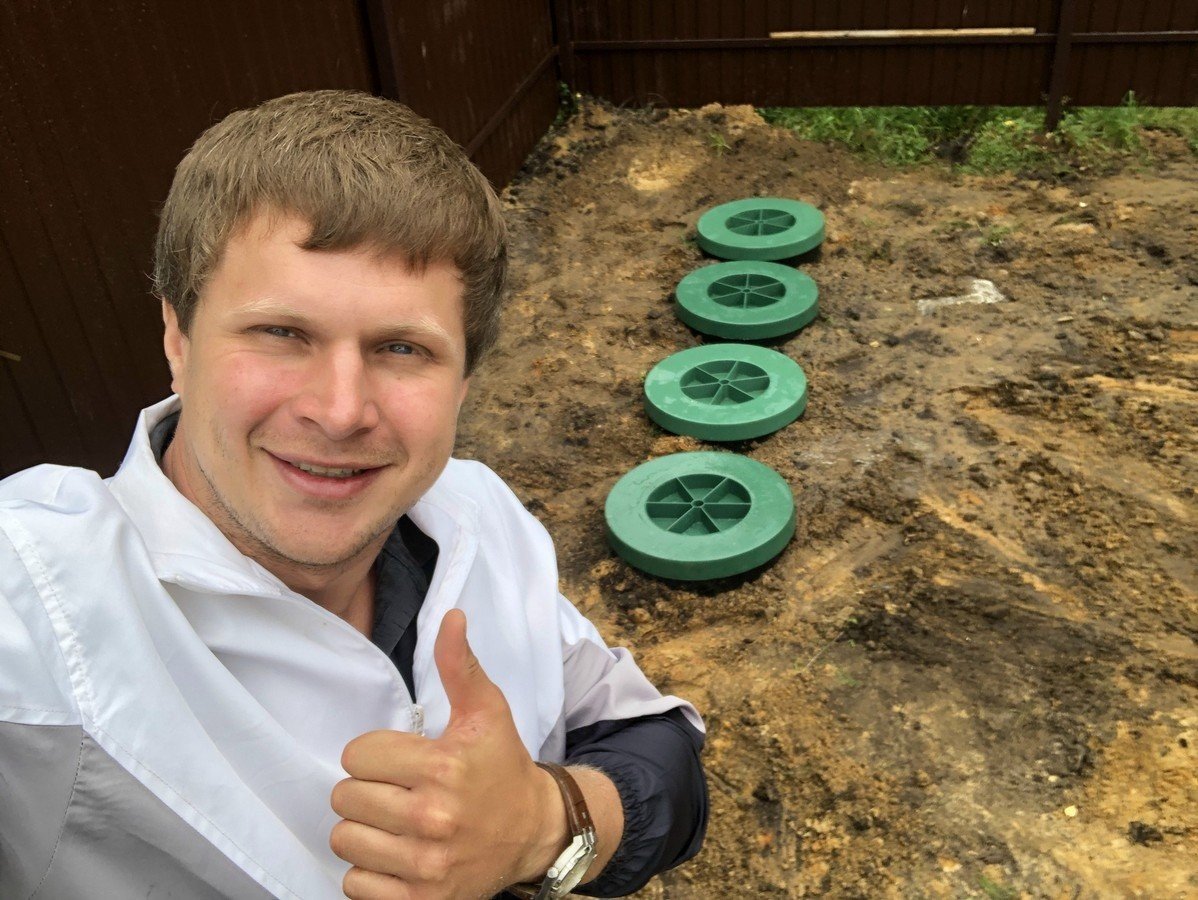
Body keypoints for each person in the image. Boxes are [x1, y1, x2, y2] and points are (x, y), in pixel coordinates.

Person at [0, 90, 706, 899]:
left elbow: (657, 748)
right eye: (280, 333)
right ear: (177, 337)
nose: (339, 412)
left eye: (402, 348)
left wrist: (545, 825)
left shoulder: (476, 513)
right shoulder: (38, 605)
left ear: (463, 380)